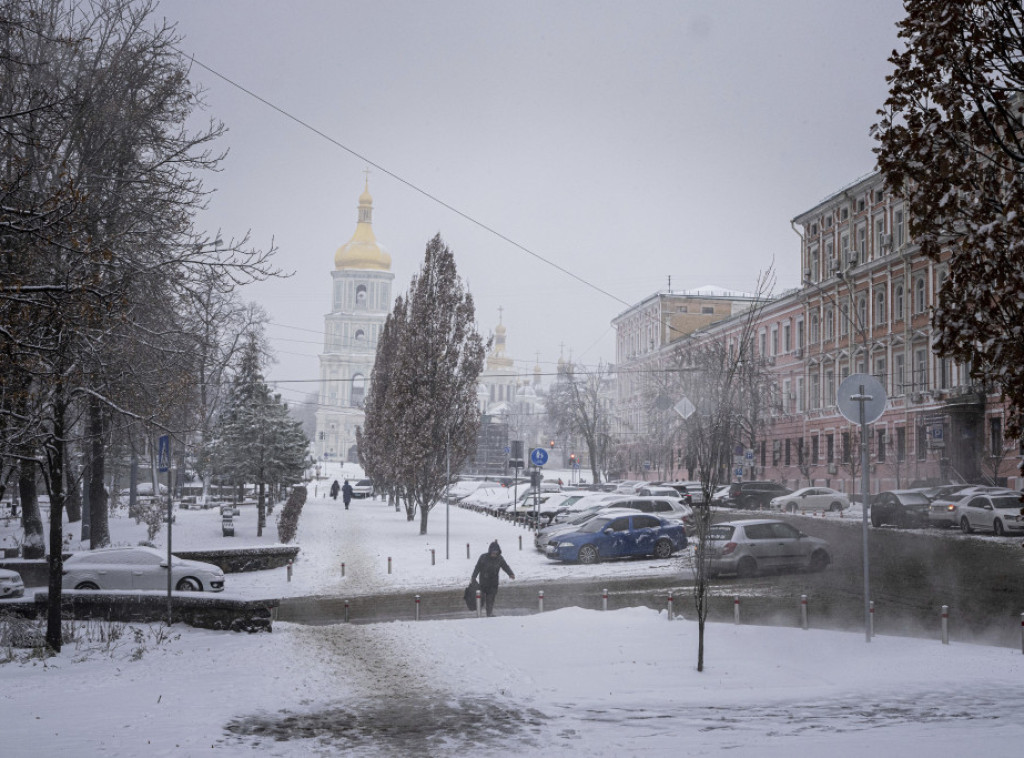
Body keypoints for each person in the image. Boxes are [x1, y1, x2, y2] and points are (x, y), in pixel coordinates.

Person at [471, 540, 515, 617]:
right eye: (493, 552)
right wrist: (473, 577)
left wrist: (510, 573)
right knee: (481, 599)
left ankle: (489, 614)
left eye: (496, 552)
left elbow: (505, 566)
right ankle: (479, 613)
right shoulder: (483, 557)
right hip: (483, 582)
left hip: (493, 583)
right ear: (490, 551)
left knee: (490, 599)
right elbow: (477, 567)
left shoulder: (500, 559)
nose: (494, 554)